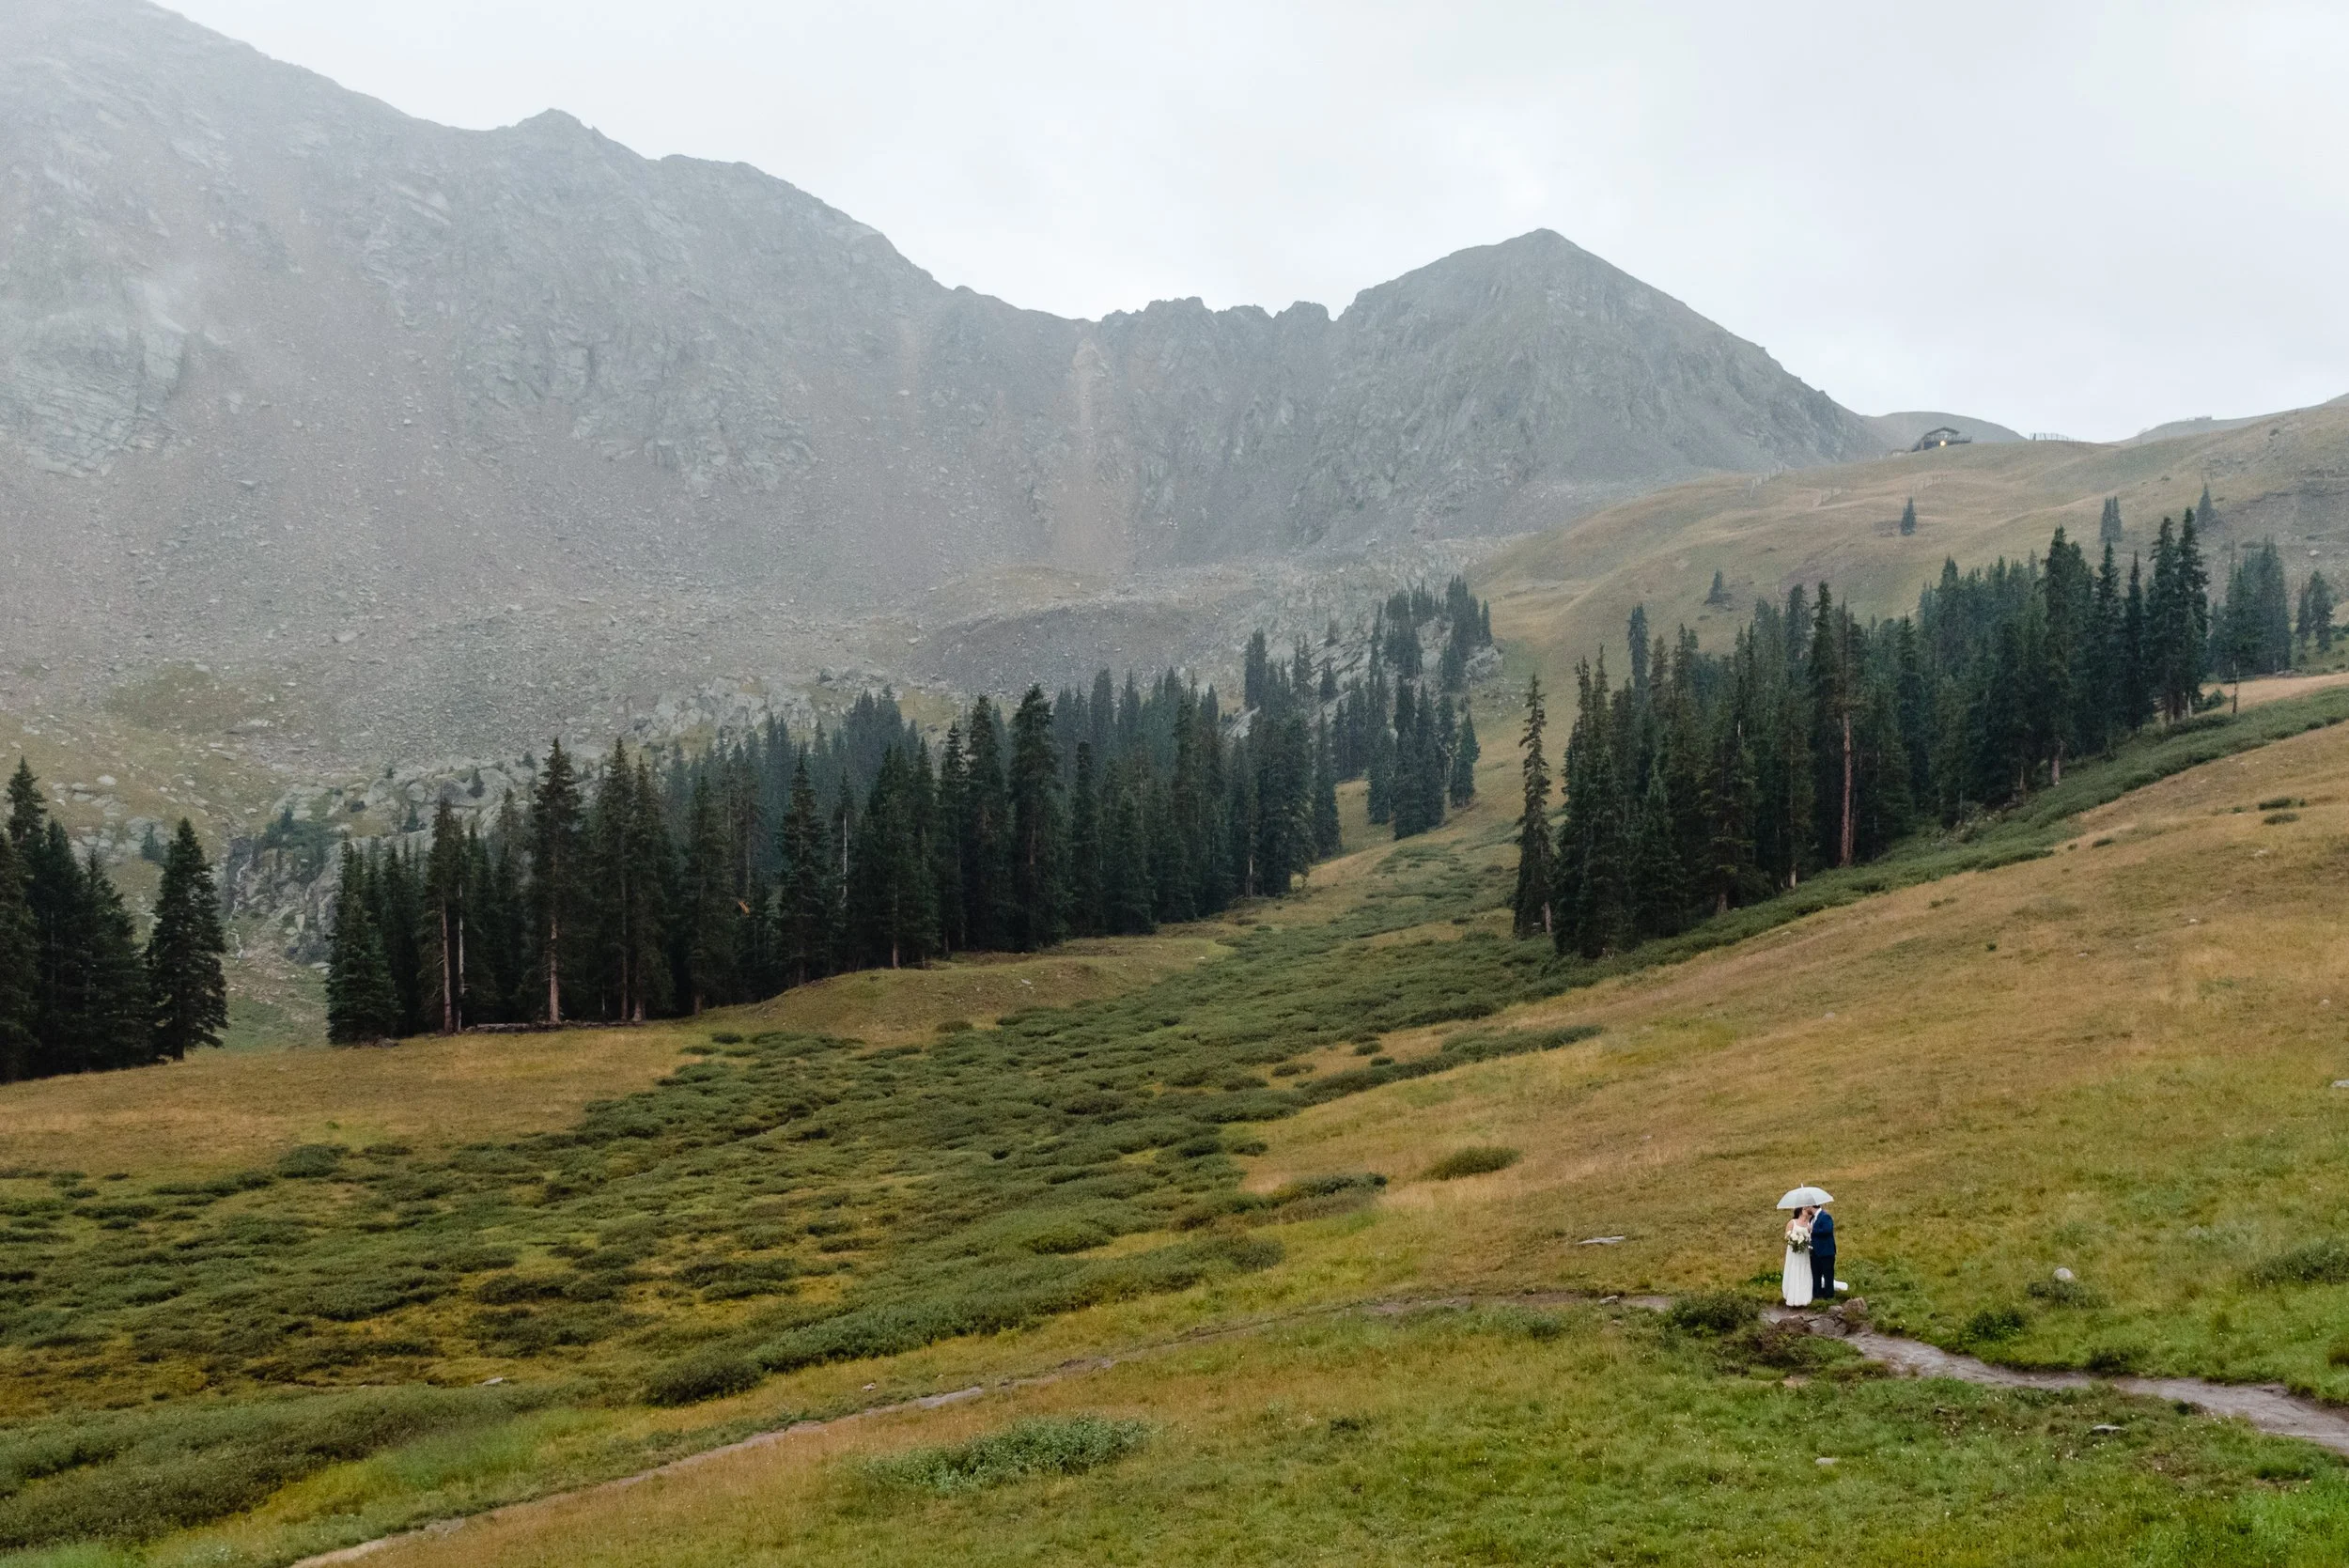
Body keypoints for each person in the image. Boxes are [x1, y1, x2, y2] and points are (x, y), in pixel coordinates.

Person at [1781, 1206, 1813, 1307]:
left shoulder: (1809, 1225)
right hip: (1794, 1251)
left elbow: (1810, 1238)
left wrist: (1804, 1241)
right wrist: (1794, 1241)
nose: (1807, 1212)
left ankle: (1804, 1297)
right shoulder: (1792, 1222)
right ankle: (1793, 1296)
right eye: (1804, 1210)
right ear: (1800, 1211)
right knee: (1794, 1270)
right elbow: (1786, 1236)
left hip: (1804, 1252)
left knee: (1804, 1270)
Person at [1810, 1204, 1838, 1303]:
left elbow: (1827, 1230)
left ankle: (1829, 1295)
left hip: (1826, 1252)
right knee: (1816, 1274)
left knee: (1828, 1274)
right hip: (1815, 1252)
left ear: (1811, 1206)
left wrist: (1813, 1230)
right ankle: (1817, 1294)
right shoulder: (1812, 1219)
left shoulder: (1825, 1216)